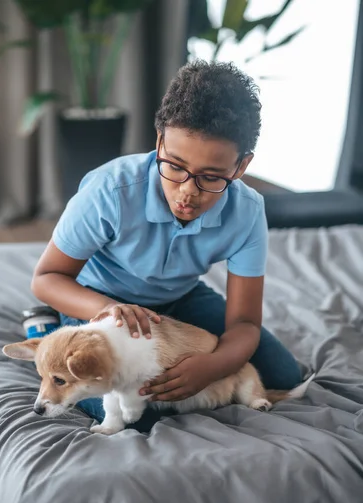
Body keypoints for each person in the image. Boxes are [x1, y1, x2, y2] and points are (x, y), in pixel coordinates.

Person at [29, 60, 302, 429]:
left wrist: (214, 365)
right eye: (174, 166)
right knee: (132, 413)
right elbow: (47, 277)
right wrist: (109, 309)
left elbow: (244, 322)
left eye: (211, 177)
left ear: (240, 167)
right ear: (159, 142)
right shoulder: (110, 191)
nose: (187, 193)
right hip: (100, 300)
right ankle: (45, 331)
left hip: (178, 299)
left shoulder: (248, 212)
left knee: (283, 376)